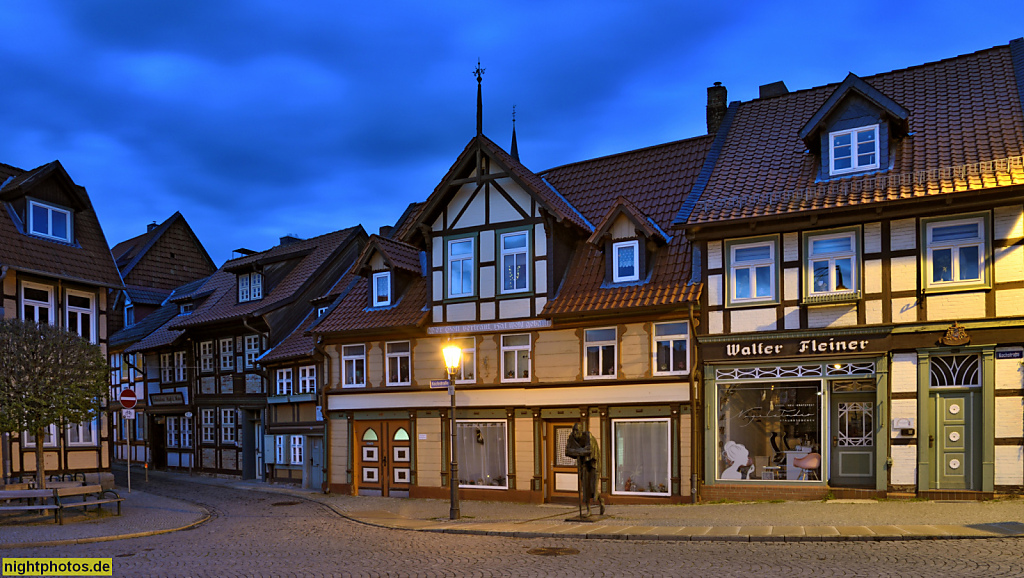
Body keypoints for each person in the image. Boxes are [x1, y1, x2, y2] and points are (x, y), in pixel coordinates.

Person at [564, 422, 605, 516]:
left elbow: (589, 450)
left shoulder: (588, 436)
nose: (575, 433)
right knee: (585, 487)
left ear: (581, 430)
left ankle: (601, 500)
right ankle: (588, 510)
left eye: (577, 430)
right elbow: (567, 451)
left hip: (593, 464)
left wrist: (576, 452)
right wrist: (581, 452)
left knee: (593, 487)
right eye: (573, 430)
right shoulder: (571, 438)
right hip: (583, 464)